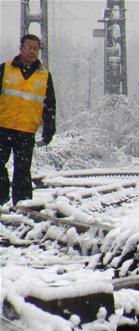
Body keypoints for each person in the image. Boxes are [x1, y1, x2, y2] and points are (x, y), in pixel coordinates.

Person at [0, 34, 55, 207]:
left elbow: (50, 104)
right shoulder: (6, 68)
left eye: (35, 49)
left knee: (23, 172)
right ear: (21, 48)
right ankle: (1, 201)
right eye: (28, 47)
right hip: (2, 127)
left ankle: (23, 207)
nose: (32, 51)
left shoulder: (44, 75)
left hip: (26, 131)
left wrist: (49, 130)